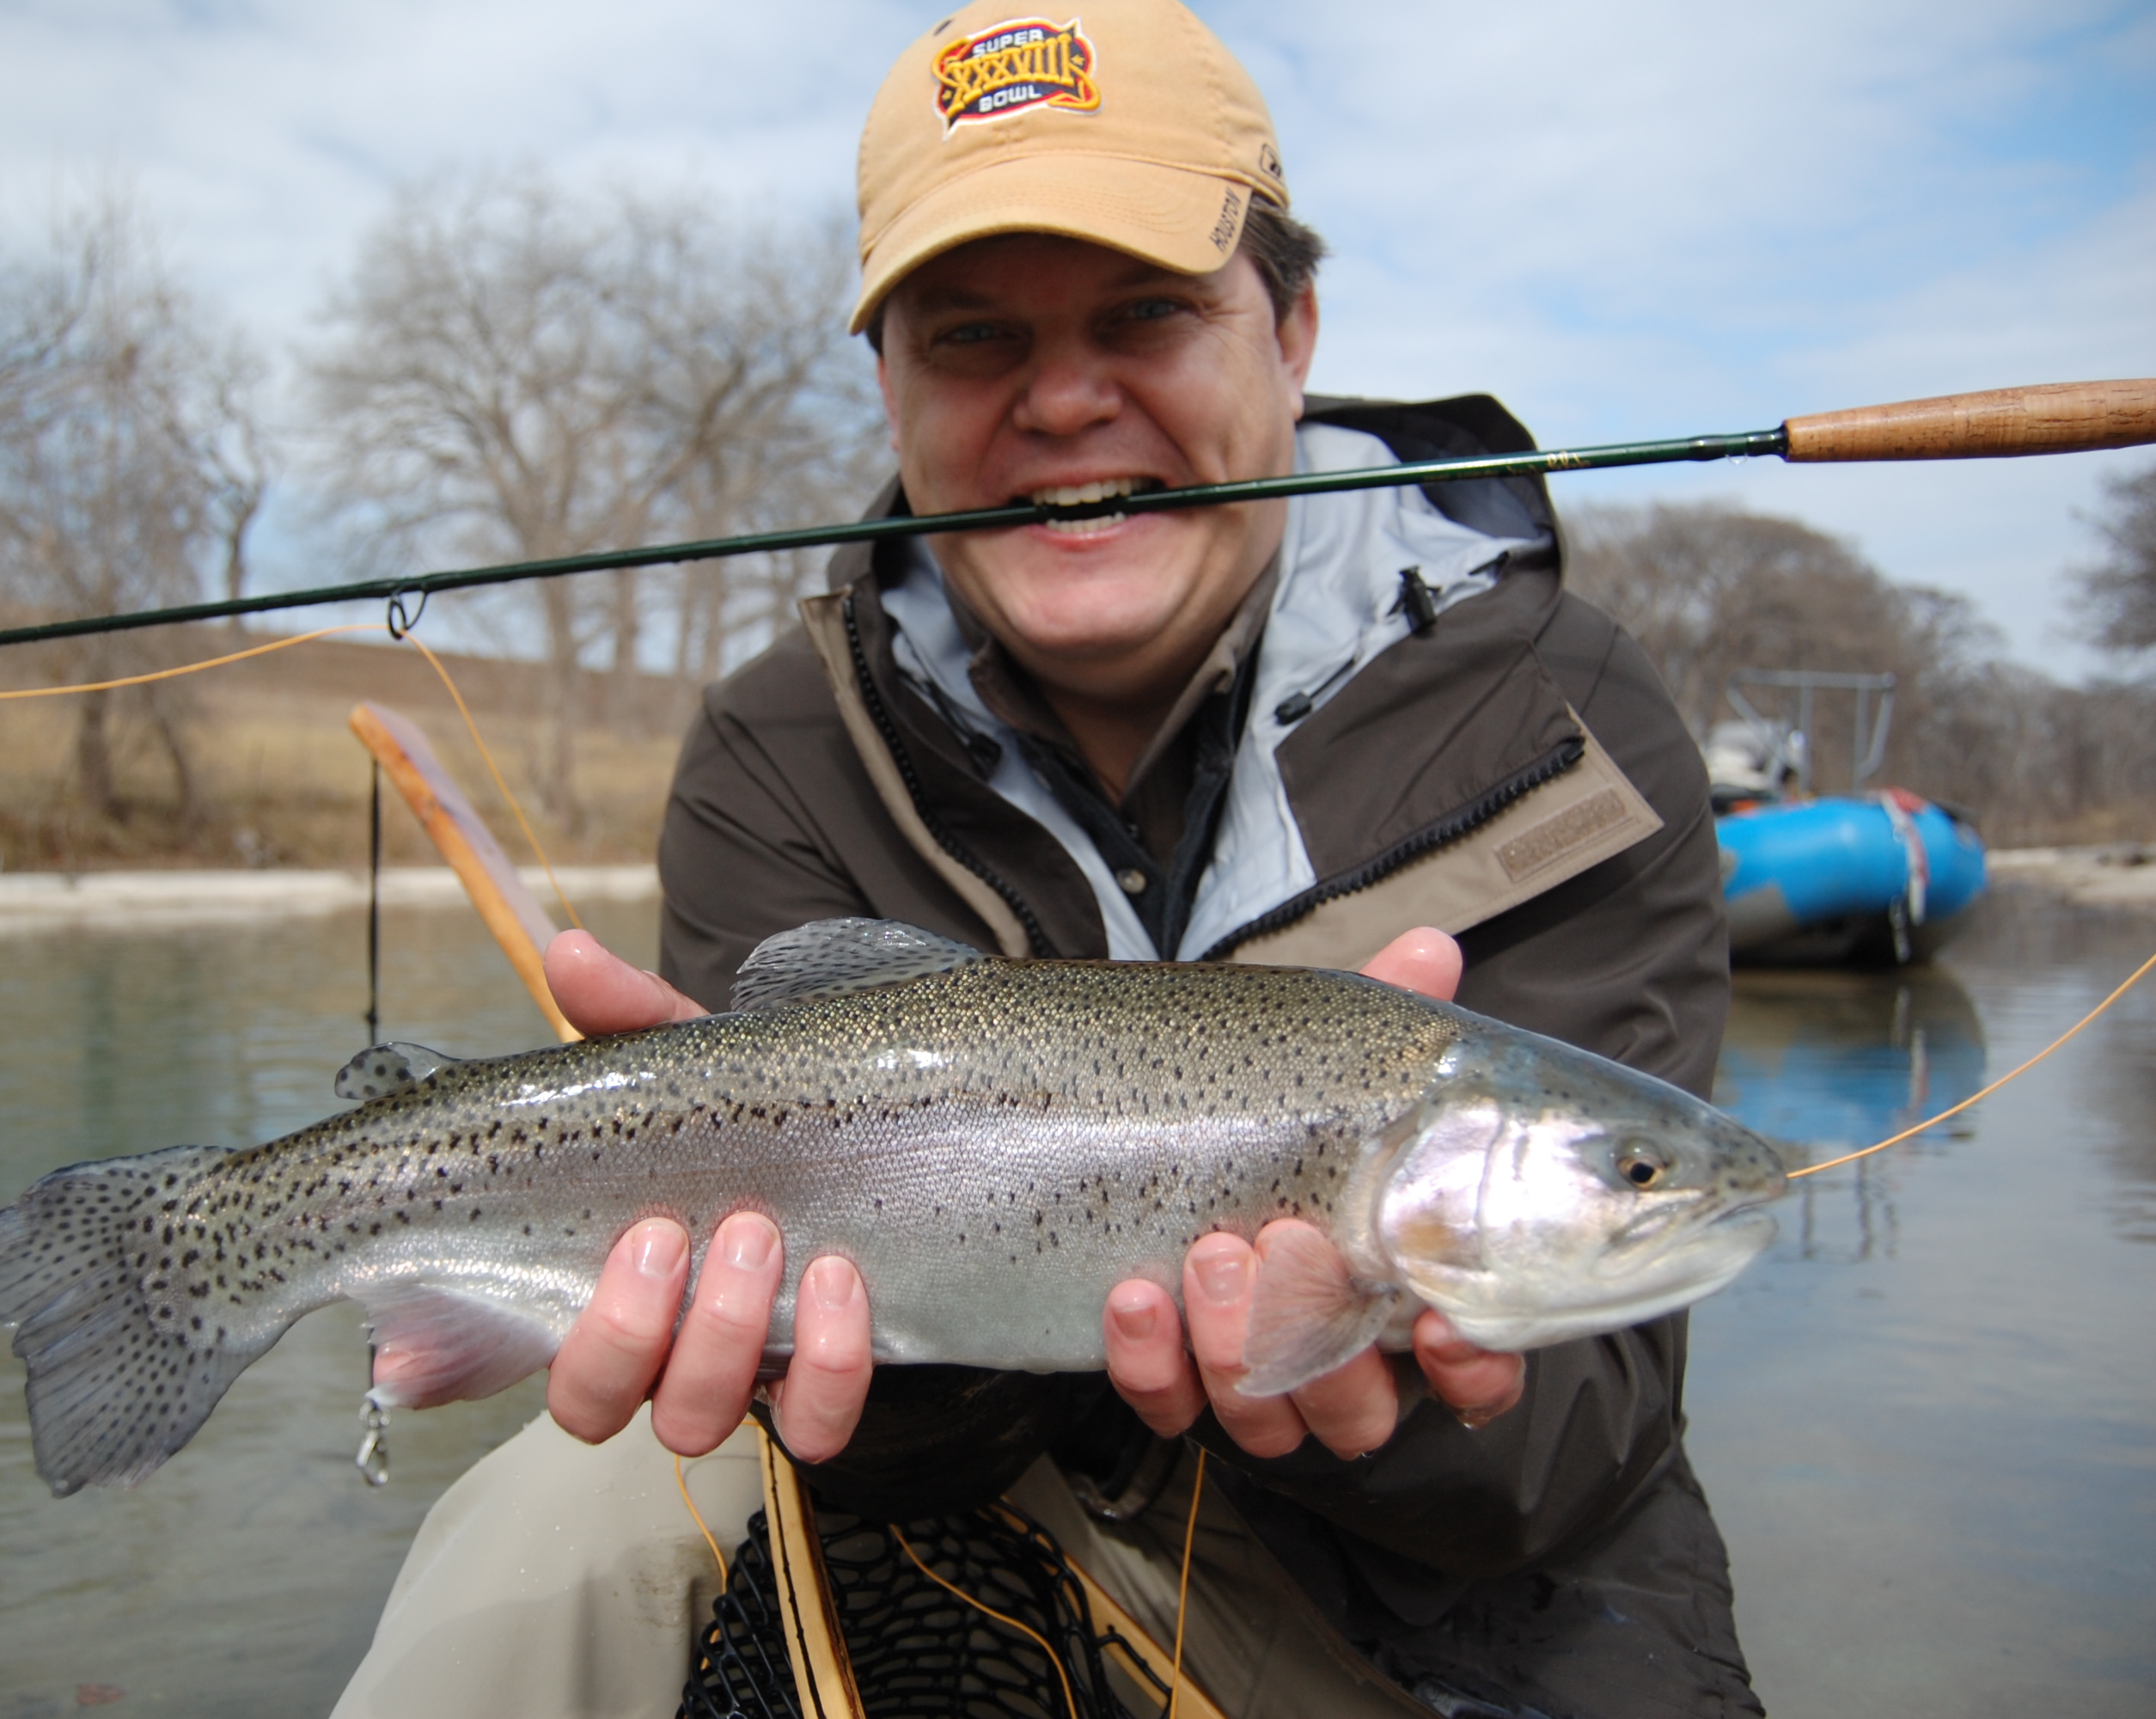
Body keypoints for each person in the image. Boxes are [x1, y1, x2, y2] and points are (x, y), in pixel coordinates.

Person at [337, 4, 1761, 1716]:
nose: (1067, 400)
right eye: (972, 337)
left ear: (1293, 328)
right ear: (888, 381)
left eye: (1147, 312)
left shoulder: (1556, 712)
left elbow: (1583, 1444)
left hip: (1463, 1637)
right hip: (959, 1552)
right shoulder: (776, 745)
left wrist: (1404, 1398)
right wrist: (876, 1383)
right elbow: (844, 1405)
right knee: (553, 1517)